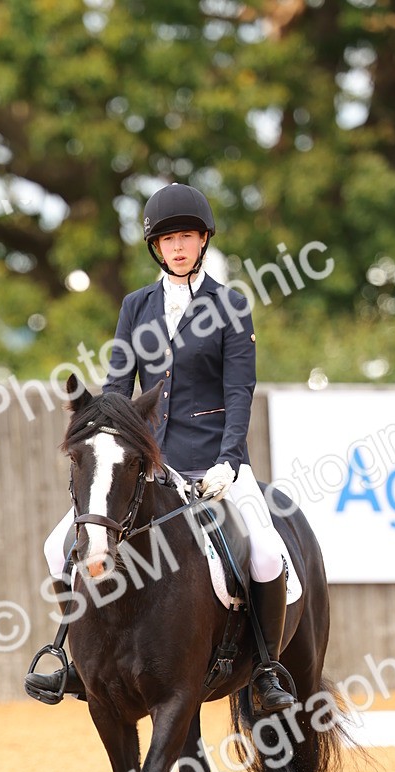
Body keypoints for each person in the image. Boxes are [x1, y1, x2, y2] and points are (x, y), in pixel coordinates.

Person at [25, 182, 295, 712]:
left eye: (187, 237)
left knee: (265, 551)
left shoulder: (230, 305)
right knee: (58, 547)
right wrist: (103, 435)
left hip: (216, 466)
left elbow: (239, 391)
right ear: (155, 247)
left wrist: (229, 460)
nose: (178, 247)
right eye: (168, 239)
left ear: (203, 241)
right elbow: (118, 387)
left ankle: (264, 668)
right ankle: (74, 659)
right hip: (148, 469)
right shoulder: (136, 306)